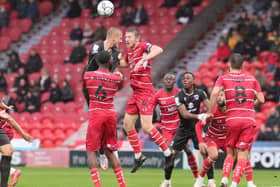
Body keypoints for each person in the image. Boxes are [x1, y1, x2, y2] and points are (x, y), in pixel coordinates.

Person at [119, 28, 172, 173]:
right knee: (127, 125)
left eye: (129, 37)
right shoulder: (129, 52)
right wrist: (110, 59)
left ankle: (168, 153)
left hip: (146, 93)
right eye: (125, 37)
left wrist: (144, 58)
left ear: (137, 38)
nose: (126, 40)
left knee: (147, 126)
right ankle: (138, 156)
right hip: (135, 93)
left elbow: (159, 49)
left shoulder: (142, 46)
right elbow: (124, 64)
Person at [209, 53, 265, 187]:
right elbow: (262, 100)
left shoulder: (223, 78)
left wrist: (210, 112)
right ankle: (234, 184)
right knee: (243, 153)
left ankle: (224, 180)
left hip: (232, 119)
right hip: (248, 119)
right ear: (243, 65)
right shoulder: (252, 79)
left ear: (229, 64)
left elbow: (215, 93)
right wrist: (251, 104)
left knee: (230, 152)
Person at [161, 72, 212, 187]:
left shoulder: (201, 93)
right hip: (183, 128)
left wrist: (208, 116)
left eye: (188, 78)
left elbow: (210, 109)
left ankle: (210, 181)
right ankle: (167, 181)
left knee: (205, 153)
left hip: (196, 128)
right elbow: (184, 114)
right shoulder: (178, 96)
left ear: (193, 81)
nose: (185, 80)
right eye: (183, 79)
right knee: (172, 154)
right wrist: (199, 116)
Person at [83, 51, 126, 187]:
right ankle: (122, 184)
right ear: (109, 62)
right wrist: (119, 74)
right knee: (110, 151)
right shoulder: (116, 78)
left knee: (91, 151)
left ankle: (97, 185)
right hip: (110, 114)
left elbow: (86, 91)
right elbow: (119, 86)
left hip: (96, 113)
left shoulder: (88, 75)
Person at [83, 27, 123, 171]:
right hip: (91, 83)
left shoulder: (117, 53)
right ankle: (101, 153)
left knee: (109, 118)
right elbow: (92, 64)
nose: (121, 41)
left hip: (105, 84)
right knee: (97, 120)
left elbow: (112, 69)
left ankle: (112, 150)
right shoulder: (97, 46)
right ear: (113, 37)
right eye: (120, 38)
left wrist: (117, 77)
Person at [0, 101, 33, 187]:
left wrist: (23, 134)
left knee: (7, 151)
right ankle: (12, 172)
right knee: (7, 151)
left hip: (5, 131)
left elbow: (10, 119)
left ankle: (5, 183)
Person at [154, 73, 180, 146]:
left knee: (186, 149)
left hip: (179, 125)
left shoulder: (180, 93)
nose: (168, 81)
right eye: (166, 79)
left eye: (171, 79)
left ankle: (191, 157)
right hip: (166, 127)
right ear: (163, 81)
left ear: (175, 81)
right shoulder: (158, 95)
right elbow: (150, 108)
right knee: (168, 148)